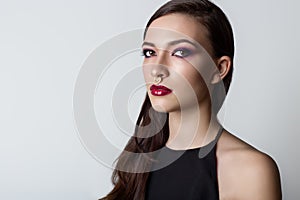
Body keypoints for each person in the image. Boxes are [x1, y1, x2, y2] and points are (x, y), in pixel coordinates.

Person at [101, 0, 282, 199]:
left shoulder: (250, 170)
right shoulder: (139, 162)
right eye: (150, 52)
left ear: (219, 68)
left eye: (180, 52)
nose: (157, 69)